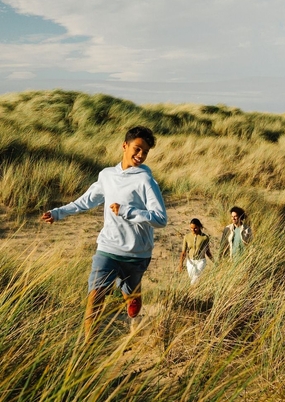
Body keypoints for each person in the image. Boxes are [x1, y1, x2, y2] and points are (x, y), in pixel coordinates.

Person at [41, 125, 167, 340]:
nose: (140, 155)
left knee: (132, 300)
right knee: (95, 297)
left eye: (145, 152)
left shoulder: (146, 180)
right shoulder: (107, 175)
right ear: (124, 146)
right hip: (107, 248)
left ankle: (131, 292)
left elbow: (160, 219)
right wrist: (58, 212)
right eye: (137, 149)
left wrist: (127, 211)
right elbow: (87, 200)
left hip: (137, 253)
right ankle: (88, 347)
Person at [178, 218, 213, 284]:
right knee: (192, 277)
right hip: (190, 261)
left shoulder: (205, 237)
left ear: (199, 226)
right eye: (191, 228)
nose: (193, 230)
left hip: (201, 261)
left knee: (196, 277)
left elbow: (207, 251)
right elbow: (183, 252)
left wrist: (214, 261)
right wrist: (181, 264)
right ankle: (196, 291)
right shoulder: (187, 237)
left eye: (195, 228)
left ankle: (191, 291)